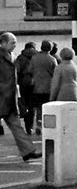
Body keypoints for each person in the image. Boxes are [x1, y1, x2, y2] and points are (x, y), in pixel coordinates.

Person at [0, 33, 42, 162]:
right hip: (2, 96)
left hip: (9, 98)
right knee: (15, 124)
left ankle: (28, 151)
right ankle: (28, 151)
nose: (15, 45)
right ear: (3, 43)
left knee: (16, 125)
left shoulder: (12, 56)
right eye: (12, 42)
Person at [13, 41, 36, 135]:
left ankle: (26, 124)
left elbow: (16, 71)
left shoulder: (20, 58)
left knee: (24, 104)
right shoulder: (37, 57)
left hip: (23, 85)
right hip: (34, 84)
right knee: (32, 107)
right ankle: (30, 127)